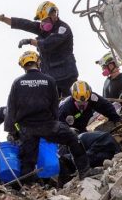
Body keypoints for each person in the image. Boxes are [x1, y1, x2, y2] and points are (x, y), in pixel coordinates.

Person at [5, 50, 91, 181]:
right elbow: (54, 106)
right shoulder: (49, 80)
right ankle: (84, 171)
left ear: (23, 65)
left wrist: (11, 131)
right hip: (48, 125)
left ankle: (26, 190)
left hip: (27, 129)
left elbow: (11, 108)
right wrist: (56, 125)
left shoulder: (17, 82)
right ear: (38, 62)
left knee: (27, 161)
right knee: (73, 139)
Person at [0, 1, 78, 97]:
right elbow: (25, 24)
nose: (43, 23)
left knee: (69, 104)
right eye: (42, 21)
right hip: (50, 77)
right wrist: (3, 19)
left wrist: (30, 41)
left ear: (54, 14)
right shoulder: (44, 29)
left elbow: (47, 44)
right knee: (51, 107)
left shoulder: (63, 29)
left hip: (66, 77)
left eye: (45, 20)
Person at [58, 80, 122, 134]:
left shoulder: (92, 97)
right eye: (79, 102)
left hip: (83, 121)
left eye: (86, 101)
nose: (83, 104)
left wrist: (116, 119)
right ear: (73, 98)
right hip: (71, 126)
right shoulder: (65, 109)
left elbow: (106, 106)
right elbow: (59, 127)